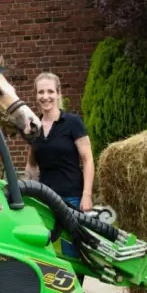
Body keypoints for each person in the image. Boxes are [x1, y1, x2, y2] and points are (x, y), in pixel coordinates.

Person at [25, 72, 95, 212]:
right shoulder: (34, 127)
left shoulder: (72, 122)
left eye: (50, 91)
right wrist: (29, 191)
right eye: (41, 92)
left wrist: (86, 195)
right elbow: (31, 165)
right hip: (44, 199)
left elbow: (88, 160)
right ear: (36, 96)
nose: (45, 96)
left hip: (72, 198)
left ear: (58, 93)